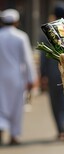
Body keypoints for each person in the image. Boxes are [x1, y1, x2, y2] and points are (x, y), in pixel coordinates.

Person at [0, 8, 37, 145]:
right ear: (16, 21)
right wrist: (31, 79)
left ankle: (1, 127)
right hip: (16, 76)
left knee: (1, 104)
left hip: (1, 76)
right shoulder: (21, 37)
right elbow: (27, 59)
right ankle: (14, 136)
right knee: (17, 106)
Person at [39, 1, 64, 141]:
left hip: (52, 73)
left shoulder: (47, 31)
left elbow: (43, 56)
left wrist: (43, 75)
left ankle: (60, 128)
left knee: (55, 102)